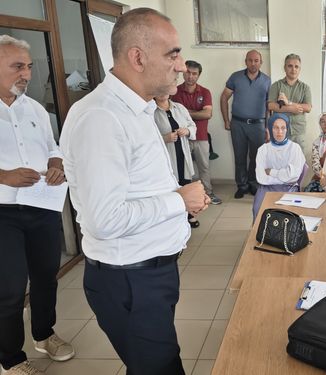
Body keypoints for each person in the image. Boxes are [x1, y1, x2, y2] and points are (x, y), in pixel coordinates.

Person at [59, 9, 211, 375]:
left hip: (149, 274)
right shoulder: (101, 118)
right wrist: (178, 200)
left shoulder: (138, 110)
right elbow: (104, 219)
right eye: (172, 54)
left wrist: (178, 197)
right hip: (130, 279)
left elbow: (139, 186)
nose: (180, 66)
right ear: (138, 57)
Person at [0, 35, 74, 375]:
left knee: (46, 277)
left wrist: (56, 166)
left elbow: (52, 146)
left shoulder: (35, 110)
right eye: (17, 67)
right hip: (3, 214)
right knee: (11, 288)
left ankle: (44, 334)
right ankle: (11, 357)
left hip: (41, 206)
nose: (26, 74)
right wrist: (4, 176)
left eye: (28, 67)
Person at [220, 50, 271, 199]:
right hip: (238, 124)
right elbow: (224, 98)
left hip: (258, 125)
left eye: (256, 60)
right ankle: (241, 186)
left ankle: (253, 184)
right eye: (250, 60)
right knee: (240, 156)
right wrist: (226, 120)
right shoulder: (235, 77)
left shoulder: (267, 81)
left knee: (256, 157)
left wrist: (268, 127)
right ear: (245, 61)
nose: (253, 63)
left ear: (261, 62)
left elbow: (269, 106)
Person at [172, 60, 222, 204]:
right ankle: (184, 196)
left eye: (194, 74)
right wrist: (197, 113)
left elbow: (207, 114)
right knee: (183, 166)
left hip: (201, 136)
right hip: (182, 137)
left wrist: (185, 113)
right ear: (183, 73)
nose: (190, 76)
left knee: (204, 167)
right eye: (188, 72)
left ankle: (208, 193)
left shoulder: (205, 92)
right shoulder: (175, 92)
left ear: (199, 75)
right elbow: (174, 115)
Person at [154, 94, 200, 228]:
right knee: (171, 187)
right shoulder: (151, 112)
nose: (163, 94)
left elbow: (192, 125)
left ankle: (190, 214)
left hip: (182, 153)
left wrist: (187, 130)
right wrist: (165, 138)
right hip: (166, 156)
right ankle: (175, 218)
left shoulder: (179, 108)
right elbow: (147, 138)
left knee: (185, 184)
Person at [253, 113, 305, 218]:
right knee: (258, 209)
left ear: (287, 129)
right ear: (270, 129)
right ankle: (260, 234)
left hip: (289, 188)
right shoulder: (263, 149)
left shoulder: (295, 148)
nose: (280, 132)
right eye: (275, 128)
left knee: (288, 215)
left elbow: (294, 176)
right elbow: (261, 178)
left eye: (283, 128)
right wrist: (285, 176)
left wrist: (272, 172)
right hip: (266, 188)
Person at [267, 53, 312, 150]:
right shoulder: (276, 86)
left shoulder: (305, 88)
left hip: (298, 132)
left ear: (300, 69)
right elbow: (270, 106)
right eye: (290, 66)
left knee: (298, 162)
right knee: (279, 161)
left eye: (296, 66)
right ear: (284, 67)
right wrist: (291, 108)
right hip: (280, 131)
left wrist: (289, 103)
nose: (293, 69)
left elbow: (308, 107)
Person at [305, 112, 326, 192]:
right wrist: (324, 178)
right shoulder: (317, 143)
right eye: (322, 121)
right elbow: (315, 166)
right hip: (321, 178)